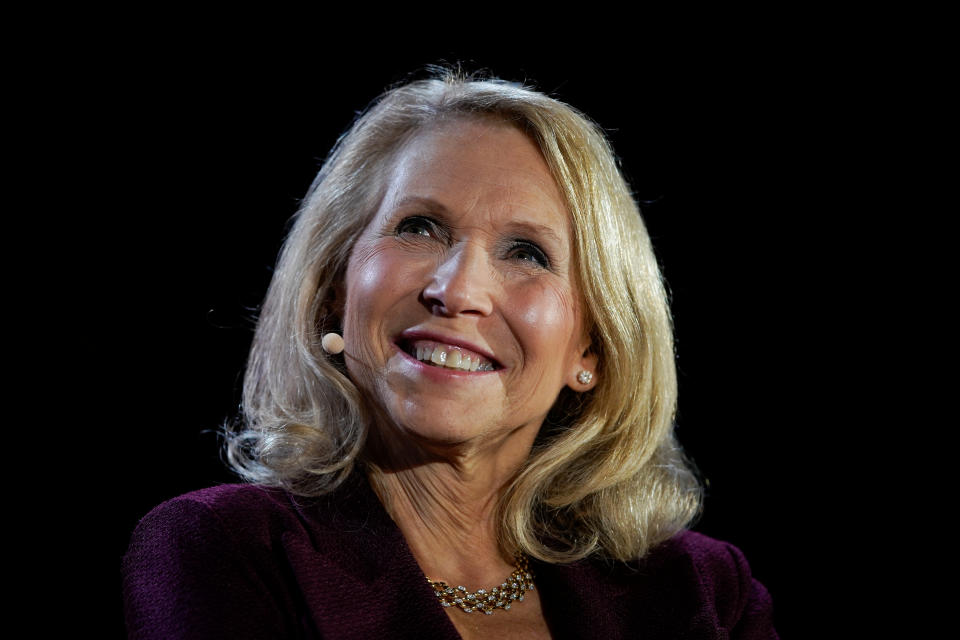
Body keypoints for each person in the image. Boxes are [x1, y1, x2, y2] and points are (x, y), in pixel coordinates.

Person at [122, 70, 778, 639]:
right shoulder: (221, 550)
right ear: (332, 292)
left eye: (528, 252)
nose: (458, 291)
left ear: (594, 349)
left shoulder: (705, 593)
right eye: (420, 227)